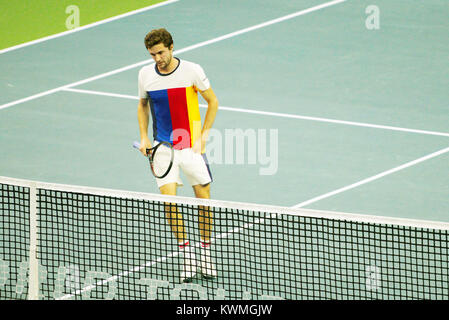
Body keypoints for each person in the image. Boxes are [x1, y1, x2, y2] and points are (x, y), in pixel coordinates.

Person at [137, 28, 219, 283]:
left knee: (203, 199)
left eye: (161, 52)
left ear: (172, 47)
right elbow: (142, 105)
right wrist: (143, 137)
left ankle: (205, 251)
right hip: (163, 148)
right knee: (169, 203)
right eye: (152, 54)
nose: (157, 58)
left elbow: (213, 101)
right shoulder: (145, 75)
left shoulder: (192, 70)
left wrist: (204, 134)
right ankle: (187, 254)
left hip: (191, 145)